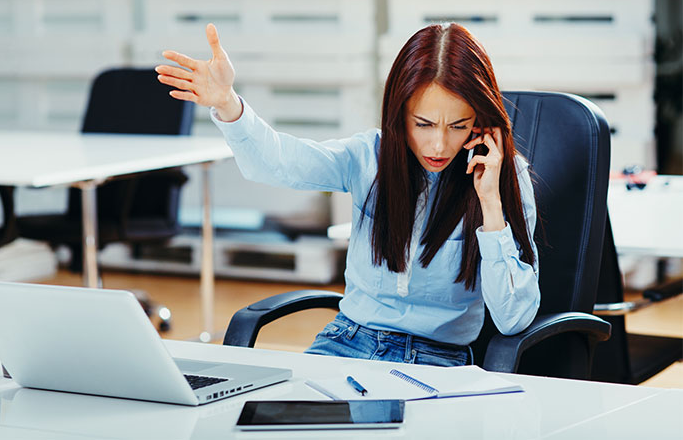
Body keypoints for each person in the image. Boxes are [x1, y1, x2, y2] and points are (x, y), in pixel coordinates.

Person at [156, 22, 540, 367]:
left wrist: (490, 204)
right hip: (347, 342)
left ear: (479, 122)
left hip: (438, 360)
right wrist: (228, 104)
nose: (438, 144)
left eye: (458, 126)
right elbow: (279, 162)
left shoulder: (502, 178)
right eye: (422, 123)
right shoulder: (369, 157)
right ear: (398, 112)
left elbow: (513, 318)